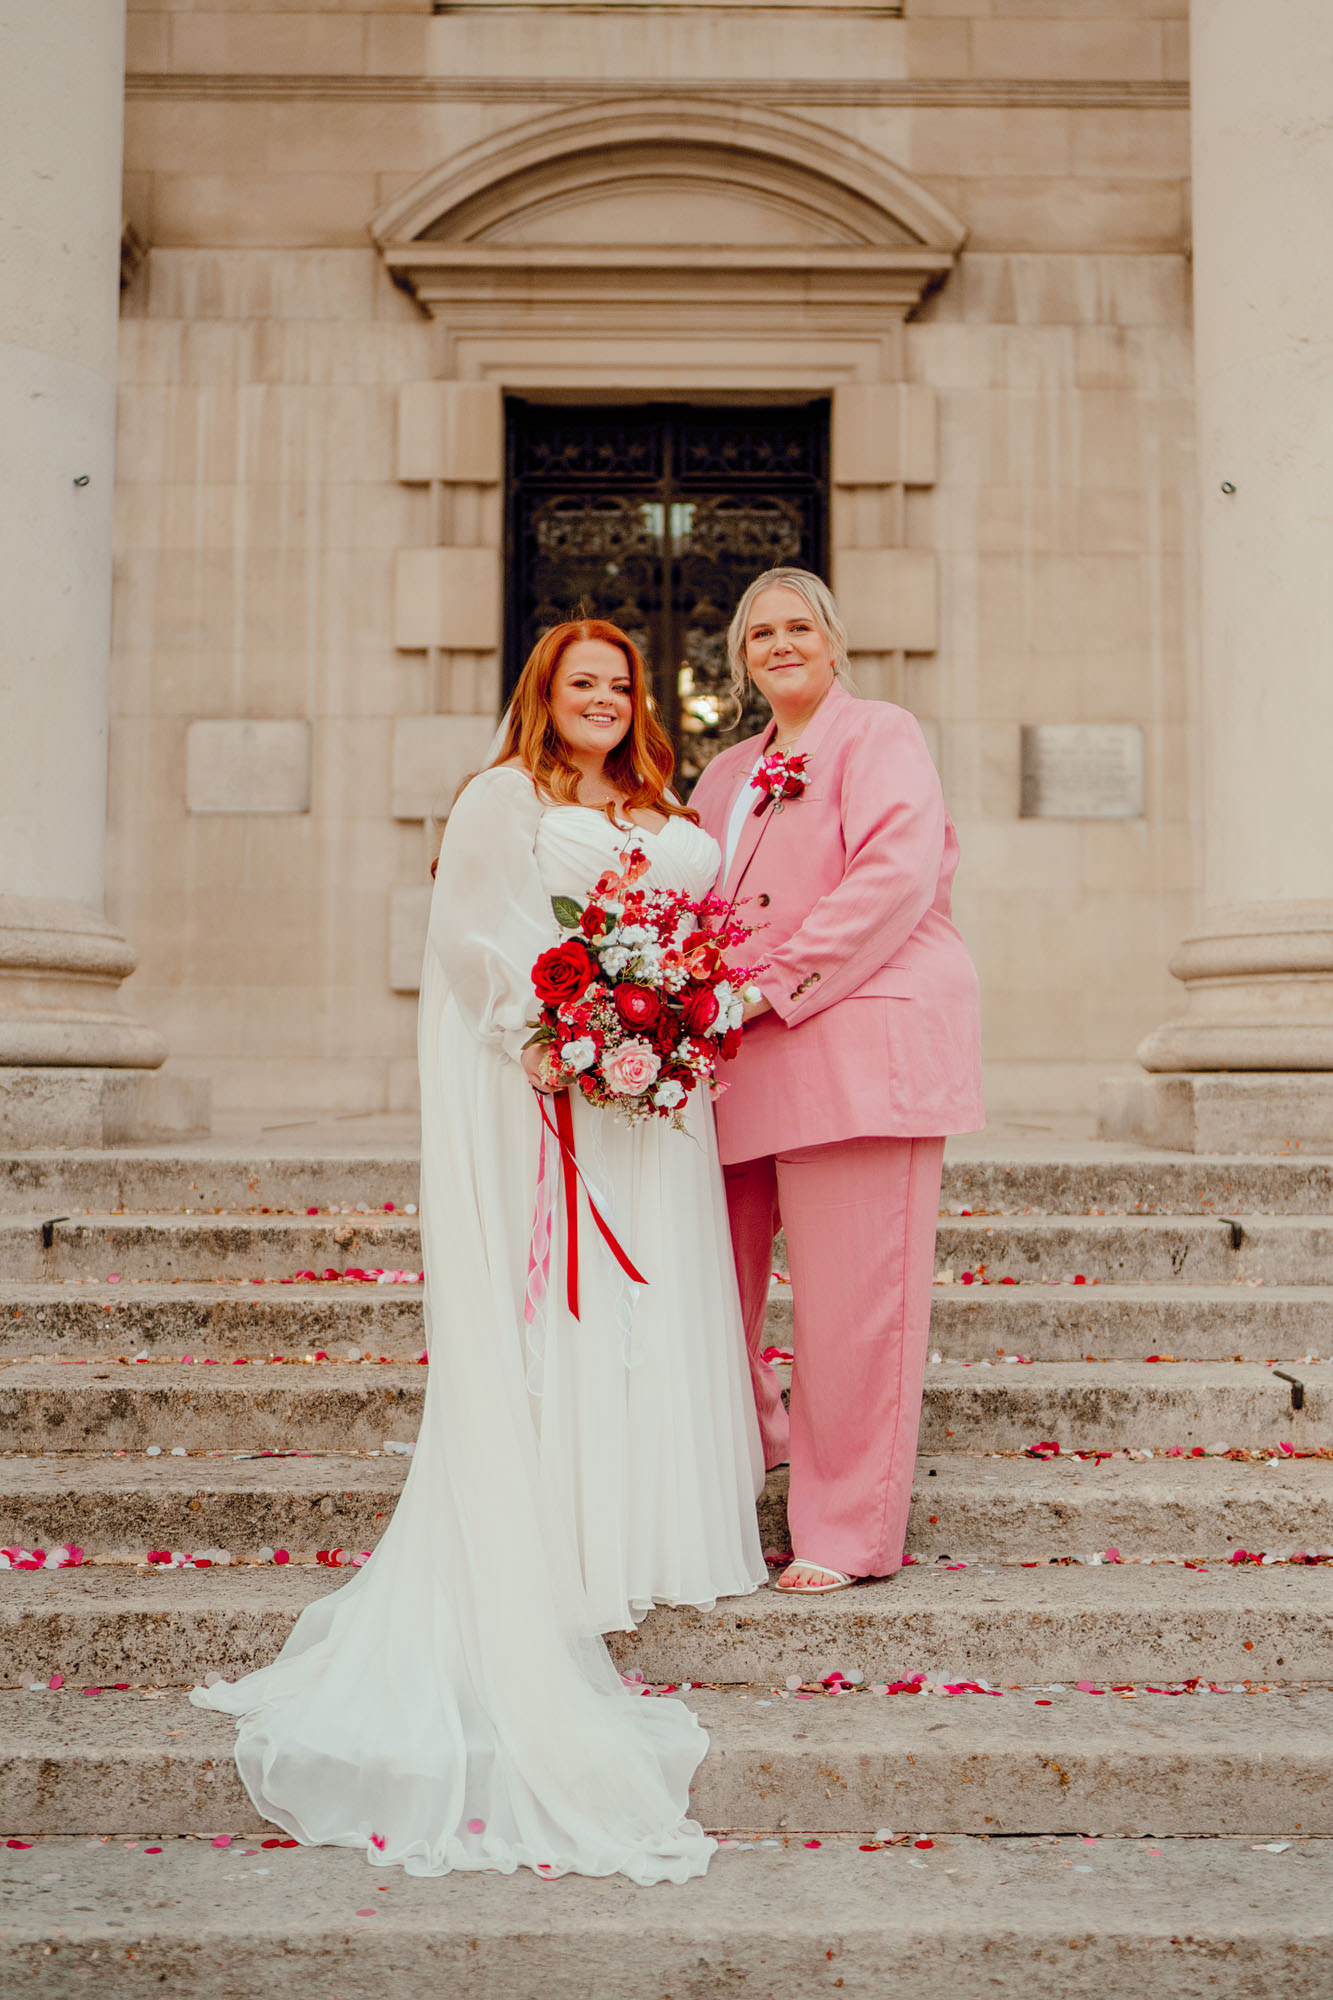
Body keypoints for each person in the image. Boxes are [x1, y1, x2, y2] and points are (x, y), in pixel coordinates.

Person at [190, 618, 767, 1883]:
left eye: (620, 683)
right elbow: (465, 939)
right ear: (543, 693)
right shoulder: (505, 793)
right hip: (558, 1081)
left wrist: (663, 1019)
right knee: (562, 1304)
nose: (604, 699)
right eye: (582, 683)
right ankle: (563, 1540)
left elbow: (691, 930)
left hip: (655, 1101)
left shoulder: (665, 803)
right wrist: (561, 1024)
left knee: (653, 1296)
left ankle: (652, 1531)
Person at [691, 568, 983, 1595]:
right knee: (699, 1292)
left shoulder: (879, 735)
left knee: (855, 1306)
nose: (780, 642)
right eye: (759, 629)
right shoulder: (722, 775)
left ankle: (845, 1530)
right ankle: (761, 1437)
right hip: (735, 1063)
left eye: (797, 625)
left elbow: (893, 876)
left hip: (857, 1049)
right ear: (740, 656)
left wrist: (764, 982)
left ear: (833, 641)